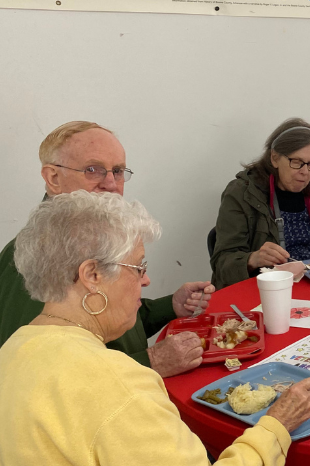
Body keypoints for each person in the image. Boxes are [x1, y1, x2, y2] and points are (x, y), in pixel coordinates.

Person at [0, 191, 310, 466]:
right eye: (138, 267)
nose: (146, 280)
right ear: (92, 276)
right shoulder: (115, 382)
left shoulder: (13, 351)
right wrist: (275, 426)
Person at [0, 121, 212, 378]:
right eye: (93, 170)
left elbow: (102, 320)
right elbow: (33, 374)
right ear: (53, 178)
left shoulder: (96, 237)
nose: (111, 184)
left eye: (118, 171)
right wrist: (151, 362)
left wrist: (171, 306)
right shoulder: (37, 253)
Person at [211, 118, 310, 289]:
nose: (305, 172)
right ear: (275, 158)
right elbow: (221, 264)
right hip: (266, 291)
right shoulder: (242, 194)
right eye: (297, 163)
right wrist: (253, 259)